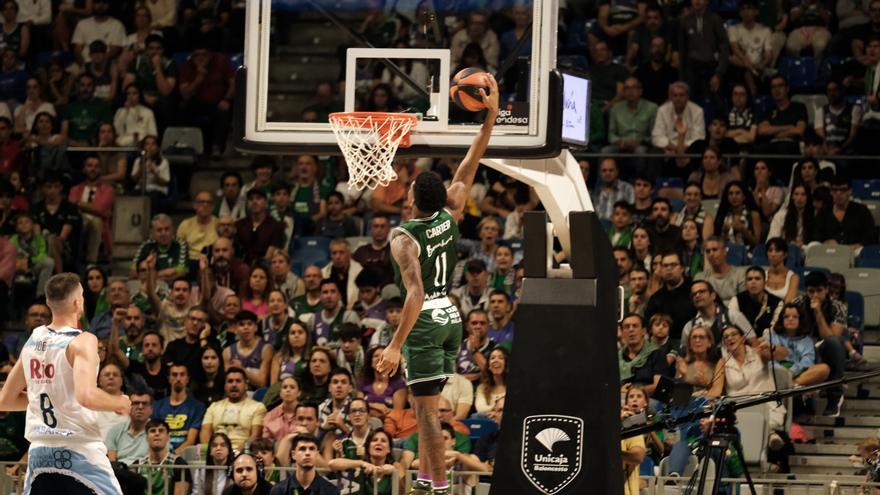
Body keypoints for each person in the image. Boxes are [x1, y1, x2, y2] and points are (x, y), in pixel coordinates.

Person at [375, 73, 498, 495]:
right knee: (425, 406)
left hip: (426, 319)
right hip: (452, 317)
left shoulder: (404, 238)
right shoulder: (452, 211)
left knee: (426, 415)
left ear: (412, 199)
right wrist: (491, 117)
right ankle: (428, 478)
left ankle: (439, 489)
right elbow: (471, 161)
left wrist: (394, 344)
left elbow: (415, 293)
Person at [0, 273, 130, 494]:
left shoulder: (33, 340)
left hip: (40, 454)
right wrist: (119, 402)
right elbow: (86, 395)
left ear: (49, 303)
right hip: (78, 450)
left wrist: (51, 397)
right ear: (77, 302)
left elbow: (5, 400)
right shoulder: (83, 340)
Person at [200, 367, 268, 451]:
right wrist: (212, 451)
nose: (234, 385)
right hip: (216, 452)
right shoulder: (214, 407)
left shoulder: (257, 407)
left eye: (238, 381)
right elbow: (205, 433)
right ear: (225, 386)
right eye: (230, 381)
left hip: (242, 453)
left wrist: (237, 453)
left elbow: (255, 436)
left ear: (246, 385)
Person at [328, 428, 403, 495]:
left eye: (383, 441)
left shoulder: (393, 468)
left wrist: (395, 473)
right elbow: (332, 463)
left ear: (389, 449)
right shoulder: (359, 466)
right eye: (374, 440)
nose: (378, 443)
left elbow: (406, 492)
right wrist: (362, 463)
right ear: (368, 447)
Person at [150, 363, 206, 455]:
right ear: (169, 379)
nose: (178, 378)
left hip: (185, 457)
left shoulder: (197, 407)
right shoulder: (157, 406)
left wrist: (172, 457)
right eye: (174, 375)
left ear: (187, 379)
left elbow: (190, 440)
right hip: (160, 454)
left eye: (182, 375)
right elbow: (155, 436)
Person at [132, 419, 191, 495]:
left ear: (168, 437)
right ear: (146, 438)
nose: (157, 434)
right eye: (153, 431)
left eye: (161, 431)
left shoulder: (179, 464)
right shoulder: (137, 465)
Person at [270, 434, 340, 495]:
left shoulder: (331, 491)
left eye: (311, 449)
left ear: (316, 454)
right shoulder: (279, 490)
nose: (307, 453)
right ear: (293, 455)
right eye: (302, 449)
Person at [729, 266, 784, 335]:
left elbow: (775, 328)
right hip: (742, 341)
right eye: (749, 279)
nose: (753, 282)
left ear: (765, 282)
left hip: (767, 342)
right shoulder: (737, 299)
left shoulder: (777, 302)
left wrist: (760, 341)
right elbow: (732, 322)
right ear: (745, 283)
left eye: (757, 279)